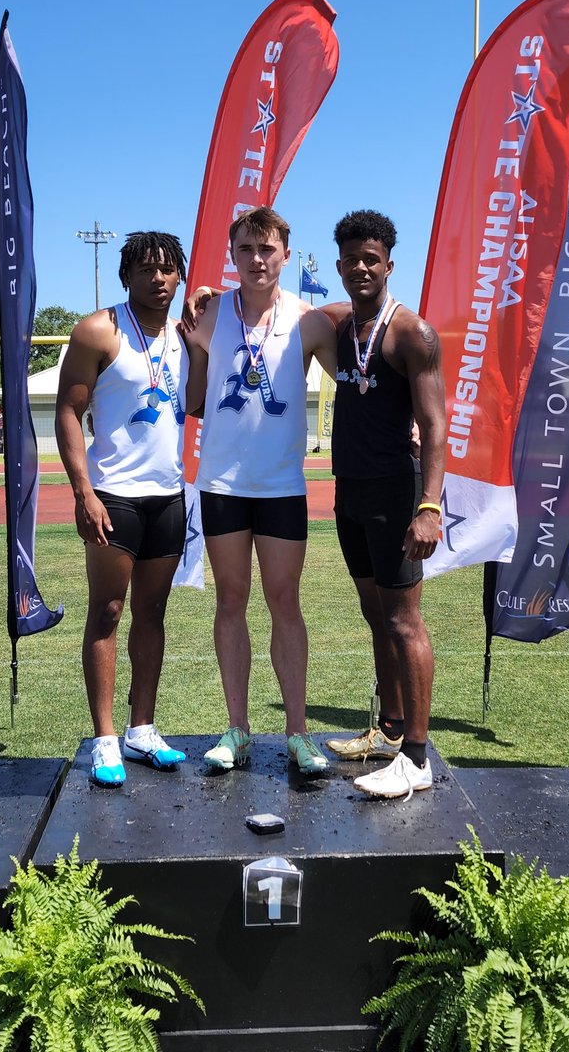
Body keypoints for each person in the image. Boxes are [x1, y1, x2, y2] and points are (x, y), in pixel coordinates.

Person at [184, 205, 342, 776]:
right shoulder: (207, 316)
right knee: (231, 601)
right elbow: (195, 401)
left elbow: (352, 373)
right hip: (222, 484)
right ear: (233, 256)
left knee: (285, 603)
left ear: (286, 256)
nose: (257, 259)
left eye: (267, 249)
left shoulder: (310, 321)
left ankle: (298, 732)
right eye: (246, 250)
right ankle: (237, 729)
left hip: (280, 486)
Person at [55, 231, 194, 788]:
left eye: (167, 270)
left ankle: (142, 729)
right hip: (113, 495)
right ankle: (106, 738)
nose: (158, 279)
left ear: (179, 275)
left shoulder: (187, 333)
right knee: (108, 611)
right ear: (126, 276)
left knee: (153, 616)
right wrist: (82, 492)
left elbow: (201, 402)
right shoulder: (99, 329)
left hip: (168, 495)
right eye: (145, 270)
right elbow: (68, 411)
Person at [321, 210, 446, 800]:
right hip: (351, 493)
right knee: (376, 616)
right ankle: (392, 730)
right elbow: (278, 308)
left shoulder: (411, 333)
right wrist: (216, 296)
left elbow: (436, 427)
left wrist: (429, 505)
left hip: (398, 491)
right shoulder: (340, 325)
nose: (361, 268)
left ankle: (417, 758)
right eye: (351, 259)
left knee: (404, 619)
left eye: (372, 259)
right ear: (340, 265)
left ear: (389, 265)